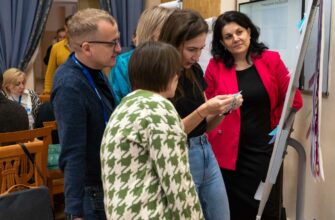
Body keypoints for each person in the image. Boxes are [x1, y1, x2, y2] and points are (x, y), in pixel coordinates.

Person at [205, 11, 303, 220]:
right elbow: (208, 108)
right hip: (228, 154)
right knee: (233, 210)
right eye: (228, 36)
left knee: (265, 208)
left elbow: (293, 101)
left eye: (239, 32)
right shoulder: (215, 66)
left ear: (249, 31)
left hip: (263, 150)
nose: (236, 39)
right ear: (222, 42)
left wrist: (275, 130)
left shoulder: (271, 60)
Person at [101, 41, 204, 220]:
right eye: (176, 71)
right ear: (168, 74)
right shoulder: (159, 109)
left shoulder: (125, 106)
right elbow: (177, 182)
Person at [159, 9, 243, 220]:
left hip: (205, 149)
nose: (197, 56)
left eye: (201, 49)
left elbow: (205, 125)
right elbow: (170, 133)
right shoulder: (160, 76)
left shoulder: (194, 70)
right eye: (191, 49)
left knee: (222, 215)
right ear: (172, 43)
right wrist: (204, 109)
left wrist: (225, 109)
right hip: (180, 156)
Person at [51, 8, 121, 220]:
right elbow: (72, 152)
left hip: (108, 182)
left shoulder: (95, 69)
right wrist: (74, 210)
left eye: (118, 41)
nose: (118, 49)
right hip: (91, 193)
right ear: (87, 48)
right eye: (111, 43)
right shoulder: (70, 85)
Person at [109, 6, 175, 105]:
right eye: (168, 32)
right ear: (151, 34)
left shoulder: (174, 60)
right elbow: (120, 104)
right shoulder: (123, 64)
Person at [44, 15, 73, 94]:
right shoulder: (56, 47)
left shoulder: (86, 45)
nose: (73, 28)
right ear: (66, 28)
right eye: (70, 26)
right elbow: (50, 72)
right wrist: (47, 92)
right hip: (62, 90)